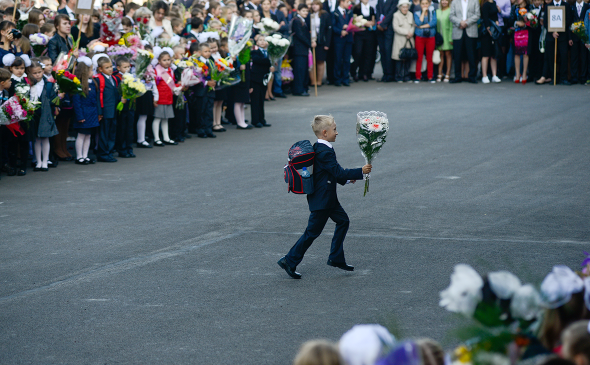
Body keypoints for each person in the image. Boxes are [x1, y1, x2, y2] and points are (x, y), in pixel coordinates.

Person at [277, 115, 372, 279]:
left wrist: (349, 180)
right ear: (325, 132)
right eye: (335, 129)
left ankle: (336, 257)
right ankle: (289, 260)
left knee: (343, 221)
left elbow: (331, 173)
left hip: (327, 198)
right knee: (312, 233)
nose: (337, 132)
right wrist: (360, 171)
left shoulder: (319, 147)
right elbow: (338, 172)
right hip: (322, 201)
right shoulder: (325, 151)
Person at [28, 60, 58, 172]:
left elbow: (54, 99)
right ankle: (38, 162)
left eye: (39, 72)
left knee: (45, 138)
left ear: (42, 71)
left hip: (46, 114)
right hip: (34, 114)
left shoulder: (49, 84)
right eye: (34, 73)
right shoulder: (29, 85)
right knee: (36, 139)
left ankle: (45, 161)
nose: (37, 75)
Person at [4, 56, 30, 176]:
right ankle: (12, 165)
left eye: (22, 68)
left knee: (24, 142)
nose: (20, 70)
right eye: (16, 68)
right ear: (11, 68)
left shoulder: (28, 80)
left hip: (25, 116)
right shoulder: (10, 81)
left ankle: (23, 166)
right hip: (12, 116)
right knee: (12, 142)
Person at [536, 0, 571, 84]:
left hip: (562, 36)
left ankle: (563, 78)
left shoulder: (566, 5)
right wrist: (552, 31)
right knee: (551, 57)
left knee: (563, 57)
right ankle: (554, 78)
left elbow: (569, 20)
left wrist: (560, 27)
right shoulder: (548, 6)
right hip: (551, 37)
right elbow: (545, 22)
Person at [72, 58, 99, 165]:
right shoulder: (78, 85)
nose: (93, 72)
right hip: (83, 113)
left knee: (88, 135)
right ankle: (79, 156)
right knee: (81, 135)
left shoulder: (93, 83)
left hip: (92, 113)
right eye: (91, 70)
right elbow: (77, 103)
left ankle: (85, 156)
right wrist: (79, 116)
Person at [94, 56, 121, 162]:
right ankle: (103, 154)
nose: (110, 69)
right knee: (104, 133)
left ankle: (109, 151)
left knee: (112, 132)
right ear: (100, 69)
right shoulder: (99, 79)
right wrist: (100, 112)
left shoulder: (113, 78)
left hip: (113, 110)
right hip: (105, 111)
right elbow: (98, 96)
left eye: (111, 67)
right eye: (107, 67)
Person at [448, 0, 480, 83]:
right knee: (457, 54)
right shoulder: (455, 2)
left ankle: (472, 76)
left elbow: (477, 15)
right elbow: (451, 16)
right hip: (458, 30)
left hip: (471, 30)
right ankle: (457, 76)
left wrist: (467, 23)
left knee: (471, 54)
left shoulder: (474, 1)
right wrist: (460, 22)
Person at [152, 49, 179, 146]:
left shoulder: (171, 71)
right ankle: (156, 138)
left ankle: (166, 137)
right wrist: (155, 98)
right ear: (159, 61)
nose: (167, 62)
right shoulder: (156, 70)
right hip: (160, 97)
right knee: (157, 118)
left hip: (168, 97)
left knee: (166, 118)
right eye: (164, 60)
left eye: (168, 60)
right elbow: (154, 85)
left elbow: (171, 84)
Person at [114, 57, 136, 157]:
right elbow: (116, 91)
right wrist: (120, 98)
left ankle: (129, 148)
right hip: (122, 106)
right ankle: (122, 149)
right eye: (125, 67)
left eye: (128, 67)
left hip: (130, 105)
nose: (127, 69)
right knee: (122, 128)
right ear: (118, 68)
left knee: (130, 128)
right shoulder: (117, 77)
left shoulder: (131, 76)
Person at [195, 42, 217, 138]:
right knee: (201, 110)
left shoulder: (211, 62)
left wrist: (215, 80)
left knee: (209, 110)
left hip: (210, 90)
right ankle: (201, 129)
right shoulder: (197, 62)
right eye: (205, 51)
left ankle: (208, 129)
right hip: (201, 90)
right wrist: (206, 82)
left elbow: (215, 73)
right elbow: (196, 76)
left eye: (209, 51)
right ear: (200, 52)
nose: (208, 53)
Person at [250, 35, 273, 127]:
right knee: (255, 100)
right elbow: (258, 60)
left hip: (264, 79)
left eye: (264, 40)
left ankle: (262, 119)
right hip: (255, 79)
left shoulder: (269, 53)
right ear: (257, 42)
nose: (263, 42)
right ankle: (255, 120)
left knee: (261, 100)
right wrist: (269, 61)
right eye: (260, 40)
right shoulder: (255, 52)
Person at [351, 0, 377, 82]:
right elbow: (354, 20)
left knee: (368, 53)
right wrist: (364, 23)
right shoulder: (356, 8)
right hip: (359, 33)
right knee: (358, 53)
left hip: (369, 34)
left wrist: (368, 23)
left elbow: (373, 21)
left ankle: (364, 73)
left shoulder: (371, 8)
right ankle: (354, 72)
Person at [413, 0, 437, 83]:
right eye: (423, 4)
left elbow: (433, 23)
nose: (425, 5)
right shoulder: (417, 13)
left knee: (429, 57)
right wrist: (423, 12)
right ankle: (418, 76)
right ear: (420, 4)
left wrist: (422, 26)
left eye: (426, 3)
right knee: (419, 57)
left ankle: (430, 76)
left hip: (430, 37)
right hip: (420, 37)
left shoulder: (433, 12)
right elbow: (418, 22)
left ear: (429, 4)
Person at [309, 0, 332, 86]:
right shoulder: (310, 15)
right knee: (312, 61)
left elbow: (329, 30)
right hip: (312, 40)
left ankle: (319, 80)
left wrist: (327, 44)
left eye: (316, 5)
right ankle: (313, 80)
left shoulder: (325, 15)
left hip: (321, 41)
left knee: (320, 61)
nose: (314, 6)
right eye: (313, 5)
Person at [291, 4, 312, 95]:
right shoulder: (297, 21)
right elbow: (300, 35)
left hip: (303, 49)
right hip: (299, 49)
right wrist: (310, 43)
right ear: (298, 11)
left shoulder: (303, 20)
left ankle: (304, 87)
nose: (305, 13)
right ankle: (298, 89)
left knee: (303, 70)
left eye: (306, 11)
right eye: (303, 11)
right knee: (299, 70)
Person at [392, 0, 415, 82]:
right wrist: (406, 32)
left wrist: (411, 32)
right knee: (399, 59)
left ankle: (406, 76)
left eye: (407, 7)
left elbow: (413, 25)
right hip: (400, 40)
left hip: (409, 40)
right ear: (400, 7)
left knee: (408, 58)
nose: (405, 9)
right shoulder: (396, 15)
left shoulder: (410, 14)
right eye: (404, 7)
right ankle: (398, 76)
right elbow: (396, 27)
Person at [332, 0, 353, 86]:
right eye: (347, 2)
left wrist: (350, 27)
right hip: (339, 39)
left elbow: (352, 22)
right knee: (338, 59)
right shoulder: (334, 13)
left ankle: (345, 78)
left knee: (347, 60)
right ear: (341, 2)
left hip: (348, 39)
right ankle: (337, 79)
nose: (349, 4)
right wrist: (340, 31)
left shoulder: (349, 12)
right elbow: (333, 26)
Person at [376, 0, 398, 82]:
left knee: (388, 51)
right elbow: (378, 11)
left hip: (389, 28)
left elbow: (392, 12)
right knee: (382, 51)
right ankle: (385, 73)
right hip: (380, 29)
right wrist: (379, 23)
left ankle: (390, 74)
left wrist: (383, 24)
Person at [510, 0, 531, 84]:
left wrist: (526, 24)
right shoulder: (514, 8)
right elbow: (510, 20)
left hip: (526, 32)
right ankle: (517, 74)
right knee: (517, 53)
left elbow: (533, 21)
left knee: (526, 53)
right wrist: (516, 22)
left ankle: (525, 74)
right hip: (516, 32)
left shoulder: (529, 8)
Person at [481, 0, 501, 83]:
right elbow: (485, 17)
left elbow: (495, 15)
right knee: (486, 54)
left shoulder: (494, 3)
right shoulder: (485, 4)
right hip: (487, 32)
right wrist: (488, 28)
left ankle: (494, 75)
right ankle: (484, 76)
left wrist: (497, 22)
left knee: (493, 54)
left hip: (494, 31)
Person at [570, 0, 589, 84]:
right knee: (574, 57)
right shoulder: (571, 7)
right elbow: (569, 22)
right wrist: (569, 38)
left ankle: (583, 77)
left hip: (584, 37)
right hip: (574, 37)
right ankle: (574, 77)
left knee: (584, 57)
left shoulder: (587, 6)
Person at [436, 0, 453, 82]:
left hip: (447, 36)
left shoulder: (450, 11)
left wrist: (450, 38)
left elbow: (451, 25)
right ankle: (440, 73)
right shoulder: (437, 11)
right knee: (440, 55)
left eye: (446, 0)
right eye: (443, 0)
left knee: (448, 54)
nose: (444, 2)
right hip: (439, 37)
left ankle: (448, 73)